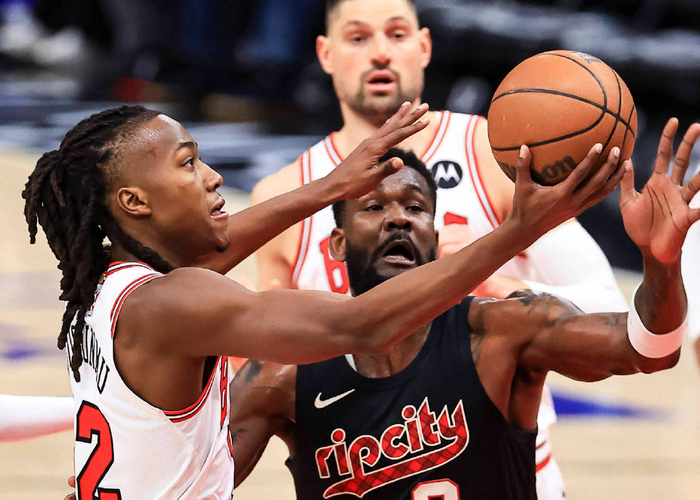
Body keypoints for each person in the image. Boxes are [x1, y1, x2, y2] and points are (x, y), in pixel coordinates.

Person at [24, 101, 618, 499]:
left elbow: (214, 250)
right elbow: (362, 325)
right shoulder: (175, 301)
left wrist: (335, 183)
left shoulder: (107, 282)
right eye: (188, 164)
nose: (212, 176)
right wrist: (518, 231)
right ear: (134, 202)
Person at [250, 1, 629, 496]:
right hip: (366, 471)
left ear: (425, 46)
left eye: (397, 34)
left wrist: (492, 279)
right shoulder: (286, 193)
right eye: (359, 37)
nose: (380, 53)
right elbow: (258, 369)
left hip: (510, 476)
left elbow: (609, 306)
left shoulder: (493, 152)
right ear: (325, 53)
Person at [231, 120, 699, 499]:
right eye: (374, 207)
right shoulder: (283, 375)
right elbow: (199, 479)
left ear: (435, 239)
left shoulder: (501, 330)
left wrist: (661, 263)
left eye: (416, 208)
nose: (398, 218)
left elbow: (650, 351)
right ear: (336, 243)